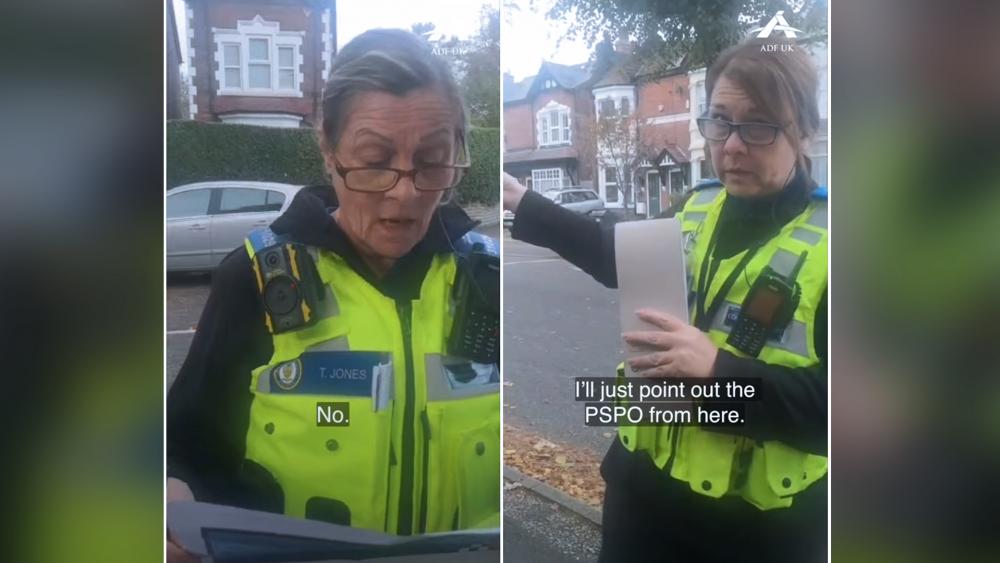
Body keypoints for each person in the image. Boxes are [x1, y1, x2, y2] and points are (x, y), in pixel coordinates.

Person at [167, 29, 500, 561]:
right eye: (374, 159)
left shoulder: (490, 282)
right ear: (328, 150)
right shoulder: (256, 281)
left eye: (433, 160)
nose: (406, 192)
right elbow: (182, 447)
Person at [504, 38, 827, 562]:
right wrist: (527, 205)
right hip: (642, 499)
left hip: (759, 532)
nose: (732, 146)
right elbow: (624, 259)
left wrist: (719, 370)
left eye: (760, 125)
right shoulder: (697, 206)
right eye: (719, 120)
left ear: (805, 130)